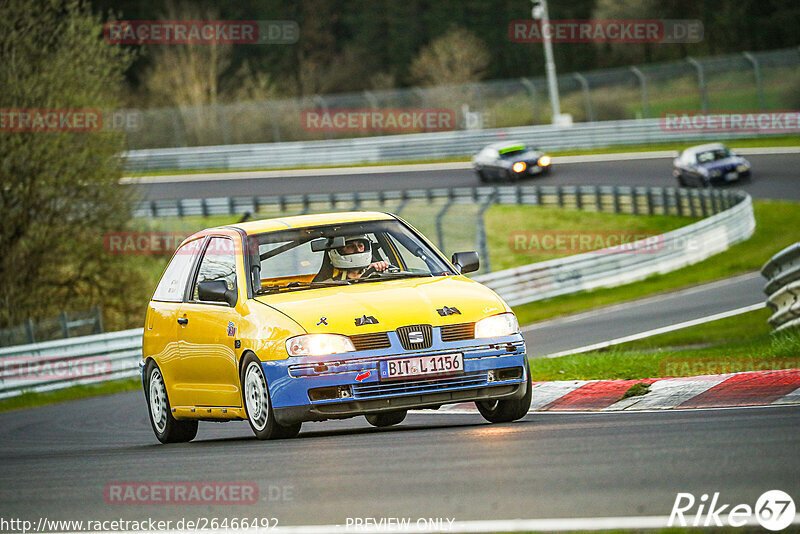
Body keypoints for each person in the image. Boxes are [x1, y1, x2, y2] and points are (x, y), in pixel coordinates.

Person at [315, 235, 389, 281]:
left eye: (360, 245)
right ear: (339, 251)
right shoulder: (329, 285)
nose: (358, 250)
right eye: (350, 246)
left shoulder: (381, 275)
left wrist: (381, 268)